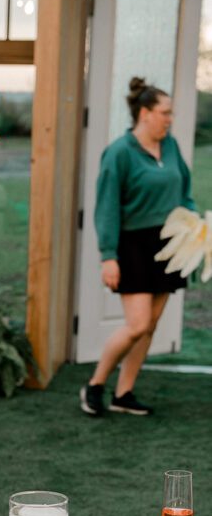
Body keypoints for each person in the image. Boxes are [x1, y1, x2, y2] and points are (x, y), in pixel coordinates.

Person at [80, 77, 196, 417]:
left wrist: (192, 223)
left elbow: (184, 188)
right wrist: (108, 257)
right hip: (133, 245)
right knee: (138, 324)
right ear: (144, 114)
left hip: (170, 243)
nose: (169, 119)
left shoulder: (170, 146)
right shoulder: (118, 152)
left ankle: (124, 393)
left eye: (170, 113)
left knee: (152, 324)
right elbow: (107, 207)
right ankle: (95, 385)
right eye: (165, 112)